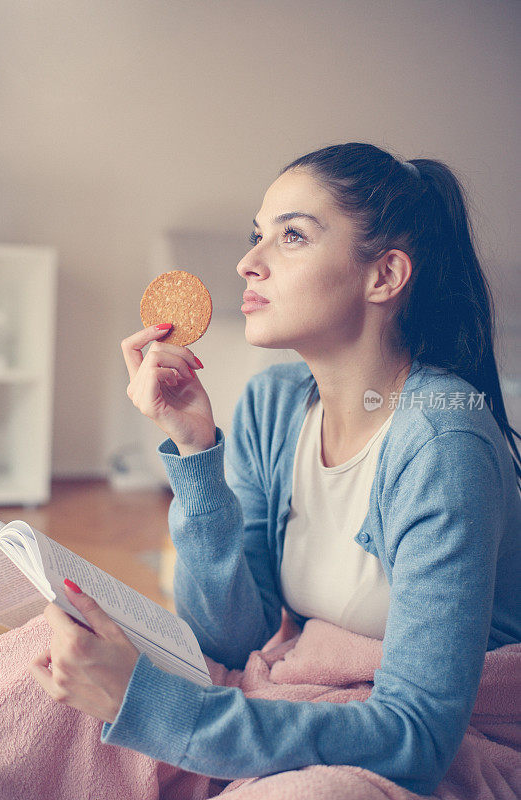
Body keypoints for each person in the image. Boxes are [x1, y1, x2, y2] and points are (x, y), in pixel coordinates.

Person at [29, 142, 521, 796]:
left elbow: (418, 736)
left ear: (384, 277)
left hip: (449, 739)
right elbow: (229, 639)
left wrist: (149, 706)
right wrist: (197, 453)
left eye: (290, 236)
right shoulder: (274, 402)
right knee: (35, 668)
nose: (246, 263)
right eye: (255, 235)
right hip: (302, 688)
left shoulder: (441, 442)